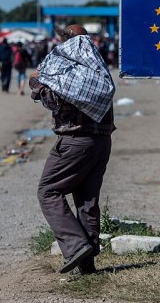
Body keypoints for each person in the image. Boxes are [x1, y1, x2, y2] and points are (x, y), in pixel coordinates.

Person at [29, 24, 116, 275]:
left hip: (75, 141)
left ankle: (76, 246)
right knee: (87, 200)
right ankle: (87, 266)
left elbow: (54, 99)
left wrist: (36, 83)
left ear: (66, 41)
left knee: (48, 191)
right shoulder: (97, 68)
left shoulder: (68, 67)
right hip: (102, 142)